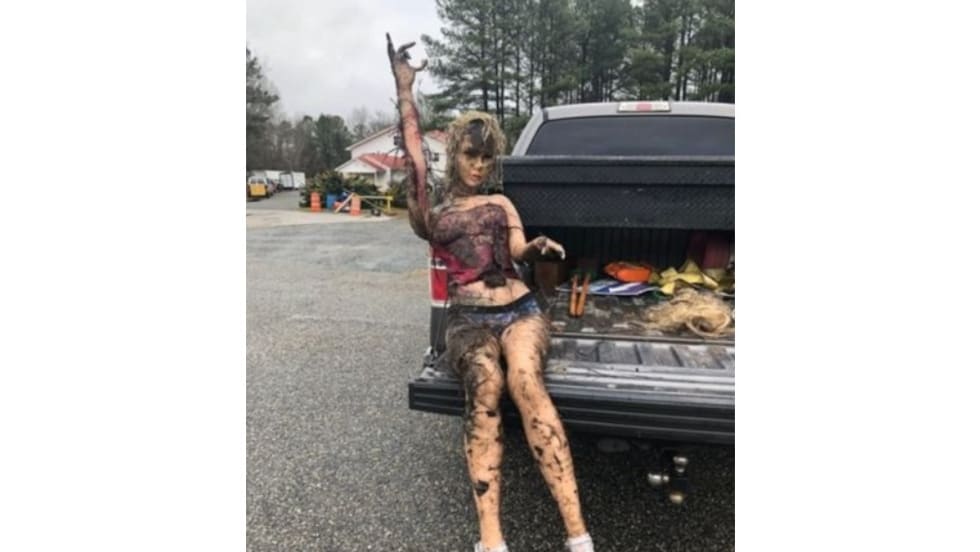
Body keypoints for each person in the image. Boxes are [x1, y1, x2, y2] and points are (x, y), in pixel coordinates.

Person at [386, 34, 595, 552]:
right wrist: (405, 90)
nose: (479, 165)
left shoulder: (502, 203)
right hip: (469, 320)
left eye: (486, 157)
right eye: (470, 155)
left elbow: (519, 248)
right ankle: (491, 540)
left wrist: (537, 246)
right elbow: (415, 164)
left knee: (525, 381)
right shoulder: (434, 215)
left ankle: (578, 536)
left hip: (521, 310)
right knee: (485, 387)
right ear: (454, 153)